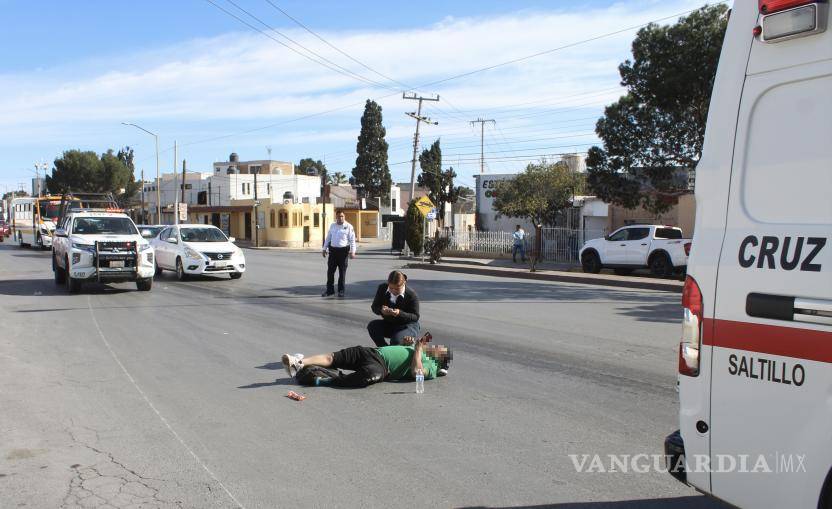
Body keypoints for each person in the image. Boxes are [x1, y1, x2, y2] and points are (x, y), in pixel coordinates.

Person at [281, 334, 451, 388]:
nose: (435, 346)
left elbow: (417, 373)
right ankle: (299, 362)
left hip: (381, 367)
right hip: (371, 352)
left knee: (368, 376)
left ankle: (322, 379)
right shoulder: (418, 350)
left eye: (439, 349)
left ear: (441, 359)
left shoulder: (432, 367)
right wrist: (407, 344)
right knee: (332, 358)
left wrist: (418, 349)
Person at [367, 270, 420, 347]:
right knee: (372, 327)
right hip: (390, 324)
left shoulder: (411, 295)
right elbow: (374, 307)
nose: (393, 291)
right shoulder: (382, 288)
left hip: (407, 326)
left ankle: (403, 348)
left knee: (396, 341)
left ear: (404, 284)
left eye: (397, 289)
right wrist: (381, 310)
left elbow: (415, 317)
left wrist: (399, 313)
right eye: (391, 288)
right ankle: (384, 349)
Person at [322, 211, 356, 298]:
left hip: (343, 252)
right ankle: (330, 290)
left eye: (342, 216)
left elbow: (352, 240)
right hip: (333, 251)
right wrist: (324, 248)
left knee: (342, 273)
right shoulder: (332, 225)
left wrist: (353, 251)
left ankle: (341, 291)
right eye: (338, 216)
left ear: (344, 217)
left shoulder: (348, 226)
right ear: (336, 217)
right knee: (330, 272)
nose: (340, 218)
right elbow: (328, 237)